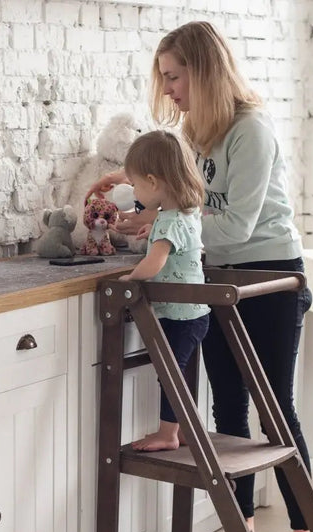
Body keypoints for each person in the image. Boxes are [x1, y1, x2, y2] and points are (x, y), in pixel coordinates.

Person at [88, 21, 313, 532]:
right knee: (228, 410)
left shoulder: (250, 131)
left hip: (266, 274)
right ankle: (238, 527)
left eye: (174, 76)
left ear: (203, 71)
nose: (167, 89)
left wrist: (169, 227)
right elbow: (177, 188)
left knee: (275, 408)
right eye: (163, 78)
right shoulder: (195, 130)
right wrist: (129, 189)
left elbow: (236, 224)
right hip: (212, 277)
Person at [118, 129, 210, 452]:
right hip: (195, 314)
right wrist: (152, 230)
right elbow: (176, 242)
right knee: (179, 370)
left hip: (178, 314)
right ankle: (184, 427)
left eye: (136, 185)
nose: (135, 192)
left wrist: (129, 282)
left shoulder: (168, 222)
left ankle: (167, 433)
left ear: (154, 183)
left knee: (170, 375)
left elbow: (155, 263)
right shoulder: (186, 213)